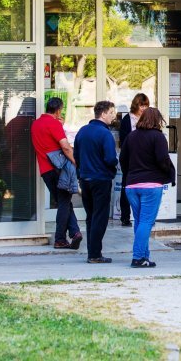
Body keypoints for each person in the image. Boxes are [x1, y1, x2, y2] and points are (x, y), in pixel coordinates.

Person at [120, 107, 175, 268]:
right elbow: (162, 159)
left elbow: (123, 159)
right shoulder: (158, 137)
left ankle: (144, 256)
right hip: (151, 185)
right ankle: (137, 257)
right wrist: (167, 172)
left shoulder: (131, 136)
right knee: (146, 222)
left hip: (131, 185)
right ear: (157, 120)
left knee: (139, 221)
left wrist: (130, 174)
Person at [31, 97, 82, 250]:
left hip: (45, 170)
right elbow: (65, 147)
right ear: (59, 109)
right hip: (60, 170)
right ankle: (60, 238)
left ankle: (75, 233)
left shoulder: (35, 124)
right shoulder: (54, 124)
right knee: (64, 202)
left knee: (63, 202)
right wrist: (76, 162)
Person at [74, 100, 119, 264]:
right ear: (104, 113)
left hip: (85, 179)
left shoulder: (82, 131)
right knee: (100, 217)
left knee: (91, 216)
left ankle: (92, 252)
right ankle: (94, 254)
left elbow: (76, 156)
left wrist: (81, 173)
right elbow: (110, 158)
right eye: (111, 113)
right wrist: (114, 164)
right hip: (101, 179)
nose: (113, 117)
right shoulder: (105, 134)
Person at [118, 93, 150, 227]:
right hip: (130, 157)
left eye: (145, 105)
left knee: (145, 187)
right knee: (127, 185)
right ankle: (125, 216)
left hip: (145, 158)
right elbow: (123, 139)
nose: (143, 108)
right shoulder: (127, 119)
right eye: (141, 105)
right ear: (136, 105)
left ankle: (144, 216)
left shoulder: (148, 118)